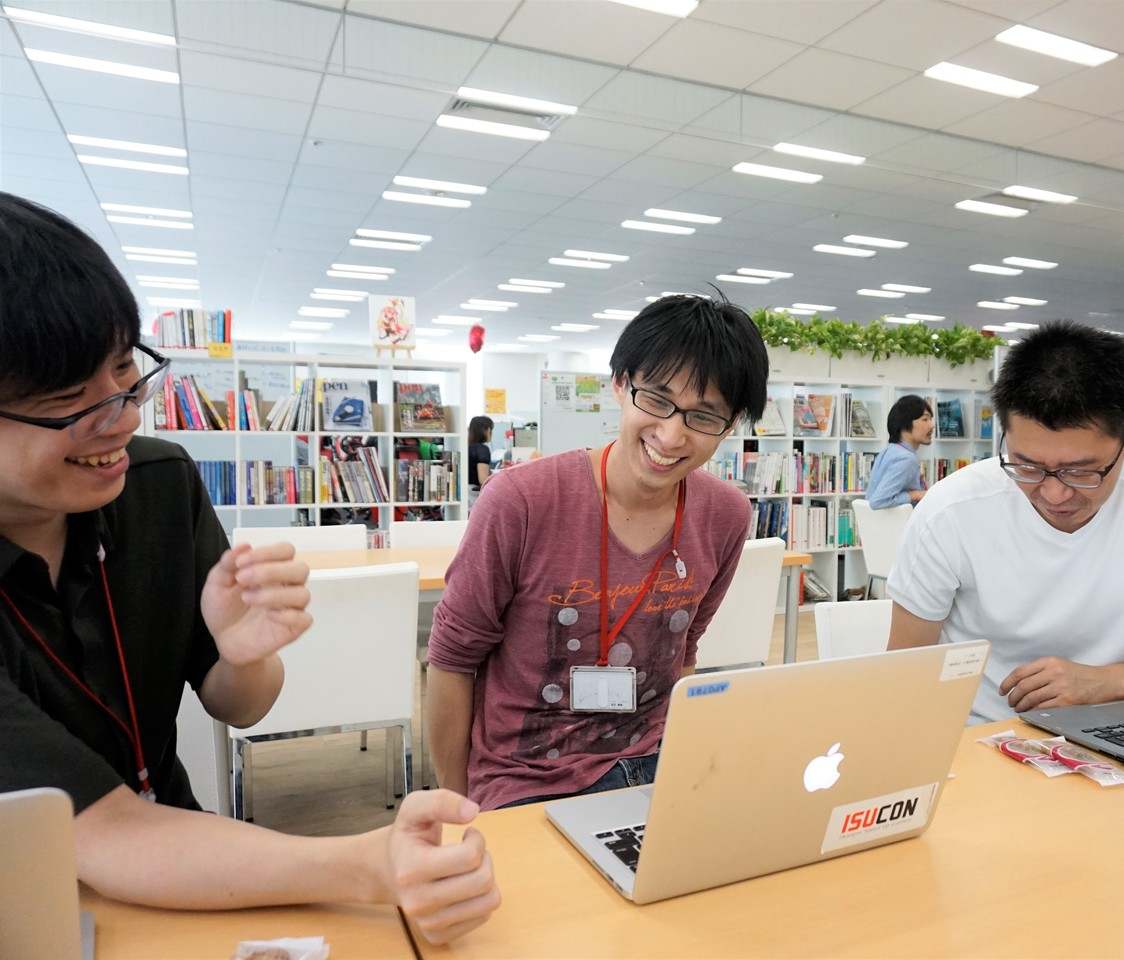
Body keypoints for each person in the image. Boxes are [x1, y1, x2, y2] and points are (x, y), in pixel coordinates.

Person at [0, 193, 499, 945]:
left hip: (187, 858)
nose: (124, 418)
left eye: (126, 372)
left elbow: (242, 706)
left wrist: (244, 654)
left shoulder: (157, 485)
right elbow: (100, 831)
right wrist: (369, 864)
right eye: (71, 400)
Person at [427, 295, 769, 811]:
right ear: (620, 384)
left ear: (732, 422)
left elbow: (684, 652)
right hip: (527, 779)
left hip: (660, 763)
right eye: (656, 399)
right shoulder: (521, 500)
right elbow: (452, 660)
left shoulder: (726, 515)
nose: (671, 435)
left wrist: (689, 766)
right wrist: (457, 812)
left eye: (703, 416)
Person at [885, 320, 1124, 724]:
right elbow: (904, 674)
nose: (1054, 494)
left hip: (1123, 729)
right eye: (1027, 465)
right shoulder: (952, 511)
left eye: (1081, 471)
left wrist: (1111, 681)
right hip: (984, 734)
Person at [865, 394, 933, 508]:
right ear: (905, 424)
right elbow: (877, 501)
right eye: (925, 419)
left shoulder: (890, 451)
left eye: (931, 419)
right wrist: (916, 494)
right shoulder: (906, 459)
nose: (932, 425)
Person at [467, 415, 494, 505]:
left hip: (465, 493)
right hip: (474, 496)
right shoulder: (482, 449)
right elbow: (483, 480)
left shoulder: (467, 447)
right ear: (488, 430)